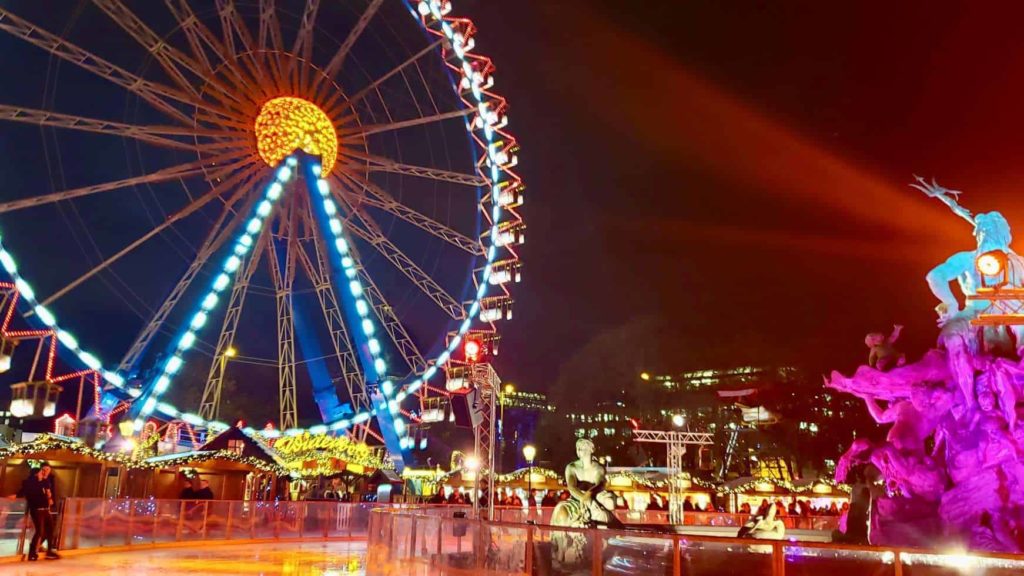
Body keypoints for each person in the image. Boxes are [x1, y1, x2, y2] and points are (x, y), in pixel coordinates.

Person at [17, 466, 59, 561]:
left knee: (50, 530)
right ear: (36, 474)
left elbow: (48, 493)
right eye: (41, 472)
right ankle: (32, 553)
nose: (43, 474)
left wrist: (49, 498)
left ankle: (49, 551)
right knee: (40, 531)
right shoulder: (29, 483)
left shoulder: (43, 482)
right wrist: (15, 496)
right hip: (37, 510)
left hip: (45, 509)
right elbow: (21, 492)